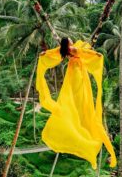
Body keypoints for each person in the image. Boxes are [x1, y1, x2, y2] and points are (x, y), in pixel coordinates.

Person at [36, 38, 117, 169]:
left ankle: (78, 120)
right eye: (70, 40)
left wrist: (45, 54)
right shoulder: (73, 49)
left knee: (74, 100)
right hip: (78, 75)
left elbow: (55, 52)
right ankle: (86, 141)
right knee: (81, 99)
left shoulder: (65, 50)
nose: (72, 40)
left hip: (73, 73)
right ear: (68, 43)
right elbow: (85, 53)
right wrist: (97, 55)